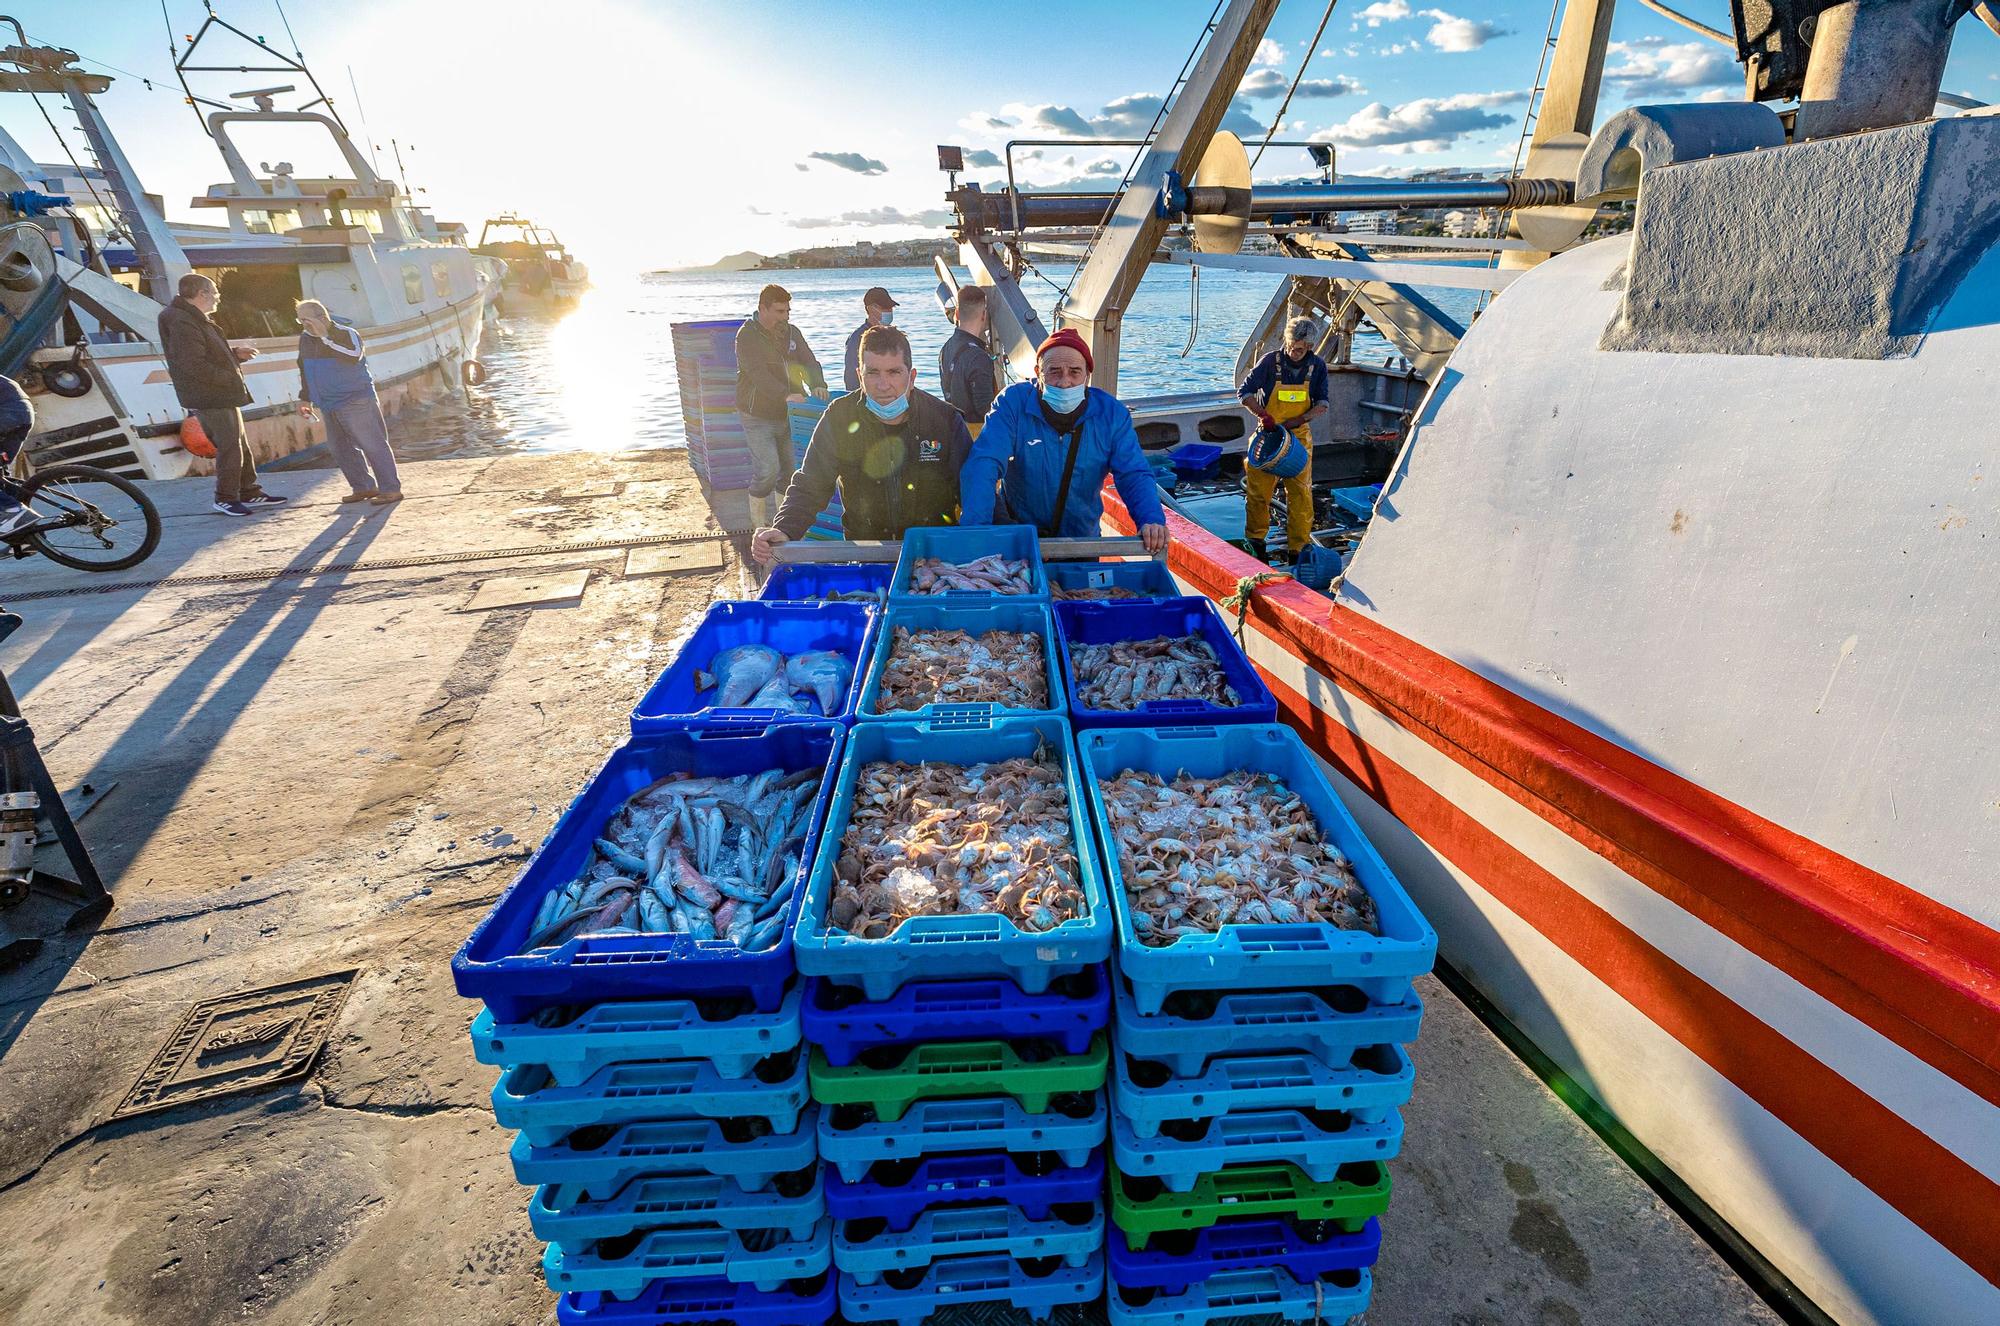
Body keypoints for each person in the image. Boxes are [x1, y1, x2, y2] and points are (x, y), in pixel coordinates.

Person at [752, 324, 969, 564]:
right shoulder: (839, 416)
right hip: (866, 554)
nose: (883, 385)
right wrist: (784, 528)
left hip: (933, 555)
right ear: (859, 376)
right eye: (873, 373)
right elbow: (810, 484)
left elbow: (974, 488)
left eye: (894, 372)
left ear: (912, 376)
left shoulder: (945, 420)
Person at [959, 328, 1168, 552]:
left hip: (1082, 542)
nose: (1065, 381)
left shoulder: (1112, 414)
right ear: (1038, 372)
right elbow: (984, 463)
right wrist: (975, 529)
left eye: (1074, 372)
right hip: (1020, 540)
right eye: (1054, 371)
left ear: (1087, 375)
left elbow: (1133, 473)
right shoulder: (1012, 403)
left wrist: (1151, 519)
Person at [158, 273, 286, 517]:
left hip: (218, 392)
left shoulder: (189, 317)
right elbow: (192, 363)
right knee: (230, 446)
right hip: (210, 394)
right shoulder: (182, 321)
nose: (218, 297)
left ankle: (249, 491)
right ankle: (225, 498)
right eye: (215, 292)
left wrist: (234, 354)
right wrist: (229, 377)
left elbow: (203, 352)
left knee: (240, 445)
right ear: (202, 294)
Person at [1236, 315, 1328, 562]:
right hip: (1268, 436)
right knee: (1258, 495)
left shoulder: (1317, 366)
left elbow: (1322, 404)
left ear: (1309, 347)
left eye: (1299, 349)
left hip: (1298, 439)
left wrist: (1298, 421)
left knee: (1301, 495)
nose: (1293, 352)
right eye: (1290, 345)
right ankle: (1256, 543)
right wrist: (1263, 414)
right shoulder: (1269, 362)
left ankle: (1298, 549)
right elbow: (1244, 392)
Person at [734, 283, 827, 527]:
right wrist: (784, 394)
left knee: (790, 471)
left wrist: (818, 384)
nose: (784, 317)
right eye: (778, 311)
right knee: (768, 469)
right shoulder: (747, 336)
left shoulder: (792, 333)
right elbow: (757, 373)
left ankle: (780, 525)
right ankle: (758, 524)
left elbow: (808, 360)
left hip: (790, 414)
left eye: (787, 311)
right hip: (757, 415)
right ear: (762, 309)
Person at [295, 300, 402, 506]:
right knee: (339, 448)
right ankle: (363, 487)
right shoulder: (305, 339)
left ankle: (390, 489)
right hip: (327, 402)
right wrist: (304, 397)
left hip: (355, 399)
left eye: (306, 319)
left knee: (373, 444)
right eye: (300, 320)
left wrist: (325, 338)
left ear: (322, 317)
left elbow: (354, 356)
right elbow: (304, 368)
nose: (303, 324)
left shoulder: (346, 333)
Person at [938, 286, 996, 437]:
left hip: (954, 431)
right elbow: (986, 409)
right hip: (977, 438)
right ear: (984, 315)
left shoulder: (945, 349)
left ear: (956, 313)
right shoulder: (979, 357)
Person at [0, 374, 38, 538]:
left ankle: (13, 509)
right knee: (2, 476)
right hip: (22, 413)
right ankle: (27, 538)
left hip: (6, 413)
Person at [841, 286, 898, 392]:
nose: (888, 311)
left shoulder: (894, 336)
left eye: (890, 308)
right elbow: (852, 376)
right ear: (870, 308)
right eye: (883, 308)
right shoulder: (857, 339)